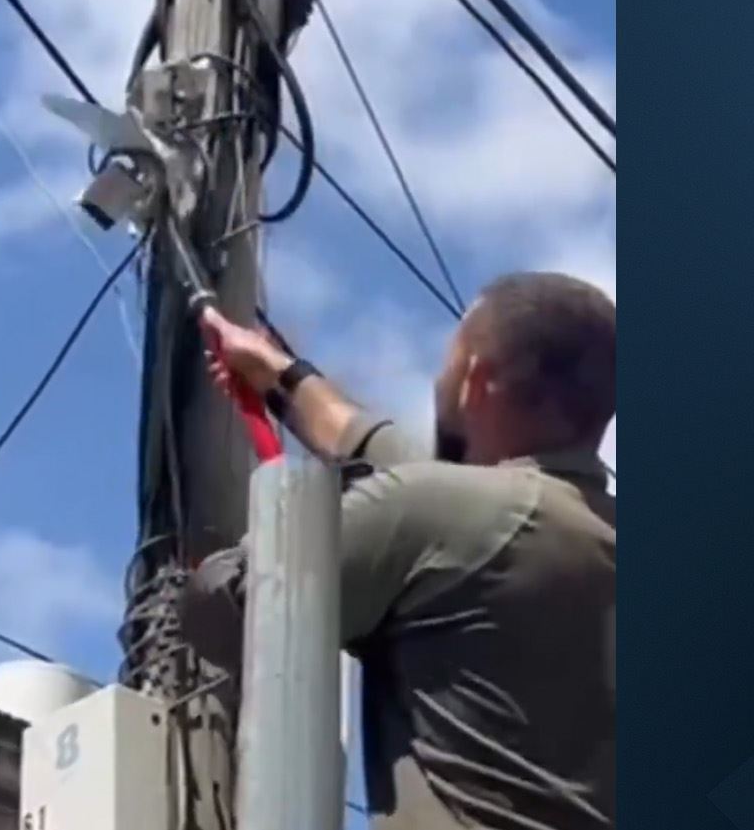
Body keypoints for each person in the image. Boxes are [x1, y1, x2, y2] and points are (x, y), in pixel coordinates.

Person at [181, 271, 617, 830]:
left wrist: (225, 563)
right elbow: (401, 466)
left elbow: (232, 612)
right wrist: (278, 375)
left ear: (474, 379)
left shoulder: (434, 512)